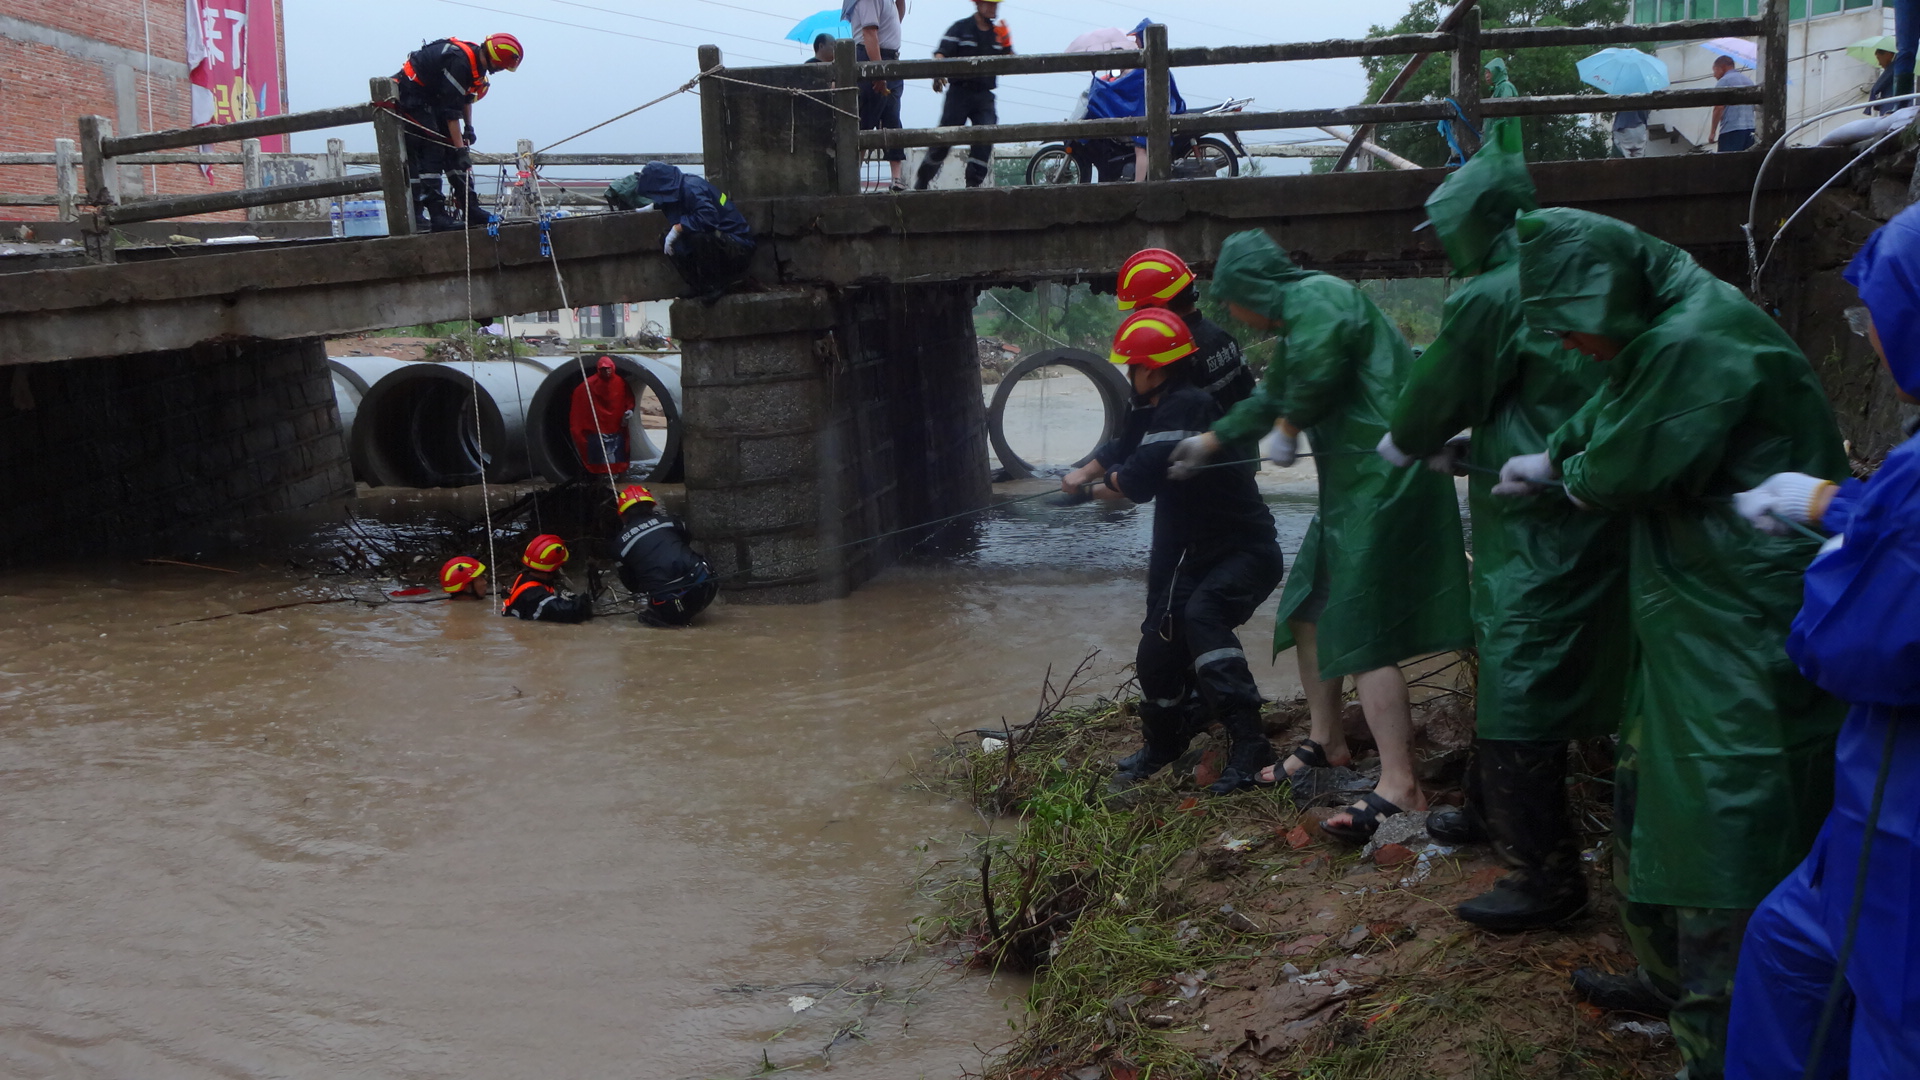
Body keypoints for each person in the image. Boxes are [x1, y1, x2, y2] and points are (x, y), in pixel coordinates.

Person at [1494, 206, 1848, 1080]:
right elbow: (1614, 404)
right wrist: (1559, 453)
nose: (1568, 346)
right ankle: (1668, 982)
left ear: (1607, 299)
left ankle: (1723, 1040)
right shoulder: (1663, 323)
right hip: (1691, 609)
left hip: (1742, 628)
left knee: (1724, 823)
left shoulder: (1697, 337)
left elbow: (1626, 469)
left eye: (1571, 326)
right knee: (1649, 792)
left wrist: (1570, 472)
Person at [1377, 119, 1626, 932]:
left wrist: (1408, 439)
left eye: (1445, 232)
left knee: (1522, 674)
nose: (1442, 249)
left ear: (1472, 224)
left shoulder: (1492, 291)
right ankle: (1489, 811)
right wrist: (1474, 445)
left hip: (1539, 522)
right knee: (1517, 659)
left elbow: (1440, 386)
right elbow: (1536, 391)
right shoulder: (1556, 273)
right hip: (1555, 492)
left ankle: (1545, 876)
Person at [1168, 230, 1473, 842]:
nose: (1234, 312)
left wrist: (1290, 426)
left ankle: (1401, 785)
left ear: (1253, 288)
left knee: (1360, 626)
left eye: (1234, 299)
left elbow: (1319, 370)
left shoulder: (1320, 299)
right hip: (1349, 491)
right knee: (1309, 607)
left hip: (1386, 480)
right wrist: (1211, 440)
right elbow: (1273, 396)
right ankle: (1328, 739)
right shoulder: (1295, 327)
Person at [1724, 203, 1920, 1080]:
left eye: (1873, 316)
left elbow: (1841, 646)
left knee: (1892, 1022)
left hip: (1904, 816)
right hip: (1869, 814)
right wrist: (1831, 504)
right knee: (1787, 950)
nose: (1868, 338)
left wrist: (1838, 555)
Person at [1099, 309, 1284, 795]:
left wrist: (1107, 480)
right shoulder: (1155, 409)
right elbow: (1129, 454)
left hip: (1244, 550)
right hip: (1199, 554)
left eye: (1131, 366)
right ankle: (1165, 743)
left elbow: (1137, 480)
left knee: (1203, 617)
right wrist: (1096, 478)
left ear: (1152, 370)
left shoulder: (1187, 405)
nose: (1129, 375)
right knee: (1157, 649)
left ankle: (1250, 744)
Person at [393, 33, 523, 232]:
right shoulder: (460, 63)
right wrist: (461, 150)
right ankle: (436, 213)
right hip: (413, 95)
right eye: (502, 67)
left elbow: (466, 99)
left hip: (433, 98)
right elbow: (451, 113)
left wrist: (468, 128)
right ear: (496, 60)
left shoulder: (476, 64)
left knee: (453, 149)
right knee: (434, 148)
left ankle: (471, 208)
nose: (501, 71)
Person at [914, 0, 1012, 190]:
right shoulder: (960, 28)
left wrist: (1007, 44)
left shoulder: (997, 34)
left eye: (995, 5)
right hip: (959, 93)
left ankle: (973, 184)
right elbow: (941, 53)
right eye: (989, 4)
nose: (993, 8)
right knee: (945, 137)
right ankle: (923, 180)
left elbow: (1009, 63)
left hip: (984, 94)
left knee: (986, 134)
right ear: (978, 4)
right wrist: (938, 73)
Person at [630, 162, 756, 301]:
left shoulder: (692, 187)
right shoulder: (680, 186)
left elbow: (708, 217)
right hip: (723, 245)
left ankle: (715, 286)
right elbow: (672, 200)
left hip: (738, 248)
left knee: (699, 236)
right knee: (669, 239)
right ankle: (698, 285)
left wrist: (678, 228)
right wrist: (652, 207)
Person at [1083, 20, 1187, 182]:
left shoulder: (1145, 64)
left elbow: (1125, 85)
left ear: (1144, 38)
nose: (1136, 42)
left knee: (1141, 148)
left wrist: (1101, 87)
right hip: (1152, 110)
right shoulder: (1150, 62)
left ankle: (1139, 187)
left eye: (1137, 38)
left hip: (1146, 112)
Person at [612, 485, 717, 627]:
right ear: (651, 507)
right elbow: (686, 540)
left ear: (623, 516)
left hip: (672, 605)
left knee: (646, 617)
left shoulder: (620, 545)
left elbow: (632, 585)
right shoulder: (671, 521)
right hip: (708, 583)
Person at [846, 0, 909, 190]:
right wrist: (878, 70)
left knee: (893, 119)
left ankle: (896, 178)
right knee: (866, 119)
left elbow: (896, 20)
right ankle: (853, 178)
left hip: (890, 57)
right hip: (873, 56)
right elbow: (869, 33)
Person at [502, 534, 594, 623]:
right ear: (553, 568)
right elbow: (574, 612)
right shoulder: (535, 596)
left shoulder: (525, 577)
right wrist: (587, 600)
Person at [570, 356, 635, 478]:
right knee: (598, 452)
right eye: (603, 369)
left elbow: (628, 398)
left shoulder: (621, 383)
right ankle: (598, 473)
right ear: (598, 369)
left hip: (616, 424)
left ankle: (617, 471)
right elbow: (580, 403)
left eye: (609, 368)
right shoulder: (588, 384)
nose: (607, 371)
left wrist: (629, 410)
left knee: (617, 451)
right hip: (596, 426)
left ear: (613, 368)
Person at [1709, 55, 1757, 153]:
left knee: (1727, 161)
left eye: (1715, 70)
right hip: (1750, 129)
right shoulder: (1748, 81)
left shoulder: (1724, 81)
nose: (1714, 75)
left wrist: (1713, 132)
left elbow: (1718, 108)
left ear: (1722, 67)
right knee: (1748, 160)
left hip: (1731, 130)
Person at [1867, 45, 1899, 115]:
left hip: (1890, 109)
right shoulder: (1899, 65)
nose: (1879, 63)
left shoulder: (1893, 67)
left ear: (1888, 54)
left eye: (1879, 58)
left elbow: (1876, 87)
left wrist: (1868, 107)